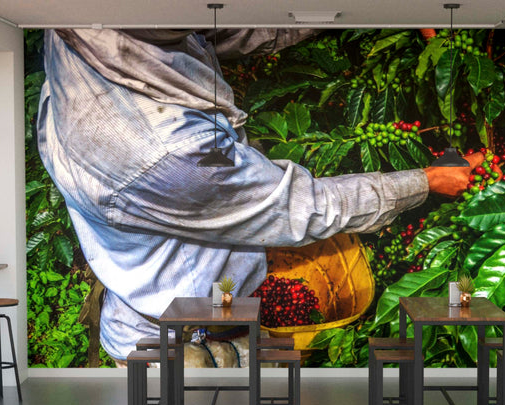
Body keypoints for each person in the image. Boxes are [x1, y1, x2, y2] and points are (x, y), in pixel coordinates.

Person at [37, 28, 481, 365]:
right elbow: (309, 207)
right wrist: (428, 181)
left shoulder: (86, 29)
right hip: (180, 350)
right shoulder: (164, 155)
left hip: (178, 303)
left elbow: (231, 29)